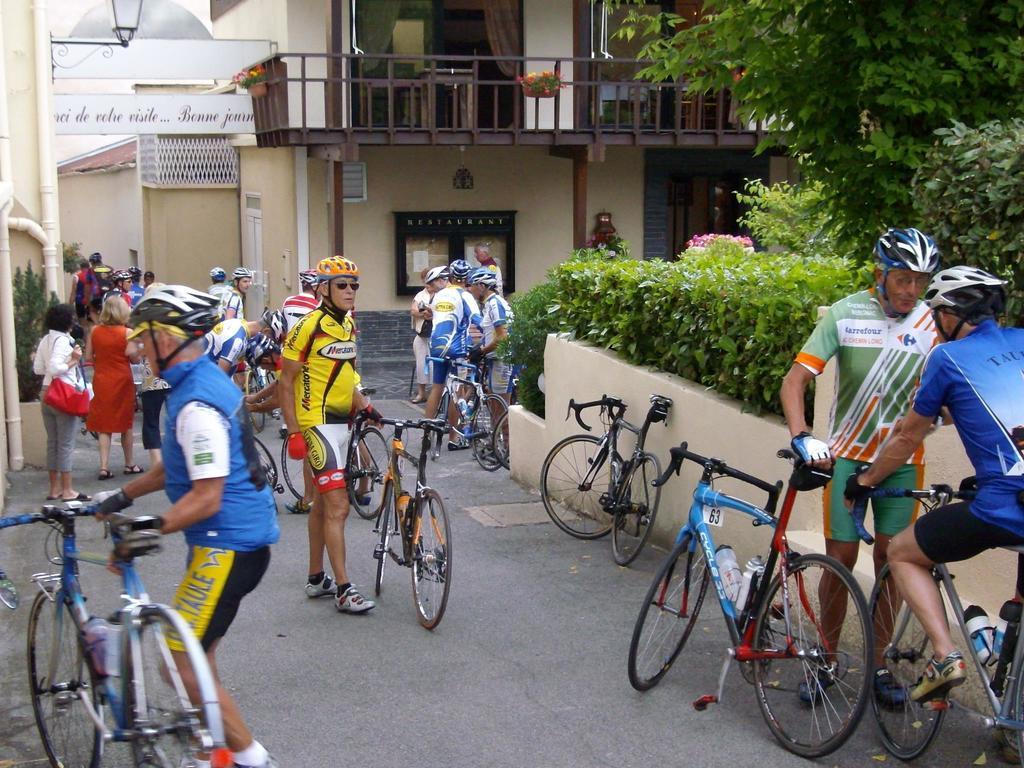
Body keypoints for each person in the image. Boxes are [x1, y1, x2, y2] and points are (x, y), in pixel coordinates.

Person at [94, 285, 280, 768]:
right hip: (231, 539)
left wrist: (146, 529)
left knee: (180, 664)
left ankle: (251, 758)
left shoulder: (196, 404)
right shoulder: (193, 384)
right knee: (198, 656)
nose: (135, 349)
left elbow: (206, 495)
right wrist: (119, 496)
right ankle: (211, 750)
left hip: (228, 543)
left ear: (168, 338)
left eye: (143, 338)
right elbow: (175, 470)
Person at [779, 227, 941, 704]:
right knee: (840, 560)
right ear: (881, 274)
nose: (912, 290)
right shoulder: (847, 313)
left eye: (921, 281)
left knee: (895, 563)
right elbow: (794, 382)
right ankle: (825, 660)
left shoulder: (934, 323)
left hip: (905, 464)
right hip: (846, 458)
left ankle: (880, 666)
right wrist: (802, 436)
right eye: (903, 280)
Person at [849, 267, 1024, 705]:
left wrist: (866, 480)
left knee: (903, 552)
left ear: (954, 315)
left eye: (939, 311)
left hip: (1006, 509)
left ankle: (946, 656)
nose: (935, 321)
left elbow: (909, 436)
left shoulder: (947, 359)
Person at [279, 255, 380, 613]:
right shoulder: (308, 326)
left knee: (323, 504)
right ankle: (342, 588)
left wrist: (364, 405)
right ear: (323, 288)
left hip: (343, 423)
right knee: (339, 506)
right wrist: (293, 430)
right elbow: (285, 381)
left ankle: (315, 577)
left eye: (354, 285)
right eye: (342, 285)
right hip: (316, 424)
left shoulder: (348, 325)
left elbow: (344, 374)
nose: (350, 291)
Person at [33, 304, 90, 501]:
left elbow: (39, 368)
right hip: (63, 393)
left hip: (46, 392)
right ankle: (67, 490)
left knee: (53, 442)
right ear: (68, 321)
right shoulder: (62, 341)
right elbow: (56, 368)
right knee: (65, 443)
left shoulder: (45, 340)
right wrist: (73, 360)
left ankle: (53, 488)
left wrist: (56, 366)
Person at [425, 258, 482, 450]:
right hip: (457, 348)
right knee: (456, 390)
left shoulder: (438, 296)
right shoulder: (465, 295)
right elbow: (477, 319)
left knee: (437, 387)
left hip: (436, 346)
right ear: (467, 278)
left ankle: (426, 434)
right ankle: (454, 439)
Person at [85, 295, 142, 479]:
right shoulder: (126, 333)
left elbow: (88, 358)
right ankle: (129, 463)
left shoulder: (94, 331)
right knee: (126, 423)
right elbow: (134, 358)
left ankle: (103, 466)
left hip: (102, 378)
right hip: (122, 379)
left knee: (104, 425)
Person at [467, 267, 516, 404]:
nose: (470, 289)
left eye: (472, 285)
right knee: (495, 407)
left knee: (499, 410)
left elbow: (502, 336)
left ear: (482, 286)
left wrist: (482, 350)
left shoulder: (495, 304)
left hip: (502, 360)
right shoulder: (490, 304)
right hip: (496, 359)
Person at [136, 282, 170, 466]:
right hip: (172, 373)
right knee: (176, 417)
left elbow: (135, 348)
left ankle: (156, 461)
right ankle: (178, 457)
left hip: (151, 375)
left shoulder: (143, 320)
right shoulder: (171, 318)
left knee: (151, 420)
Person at [410, 266, 447, 404]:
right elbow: (413, 310)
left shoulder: (442, 295)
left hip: (437, 336)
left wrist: (432, 315)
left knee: (435, 365)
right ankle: (421, 393)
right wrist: (423, 314)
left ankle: (436, 393)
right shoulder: (421, 295)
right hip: (422, 335)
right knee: (421, 365)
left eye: (430, 281)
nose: (428, 284)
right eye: (425, 281)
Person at [70, 258, 97, 324]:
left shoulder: (76, 277)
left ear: (81, 267)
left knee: (82, 321)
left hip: (80, 301)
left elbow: (73, 292)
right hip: (91, 301)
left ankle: (84, 333)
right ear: (88, 267)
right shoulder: (94, 276)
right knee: (92, 321)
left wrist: (70, 305)